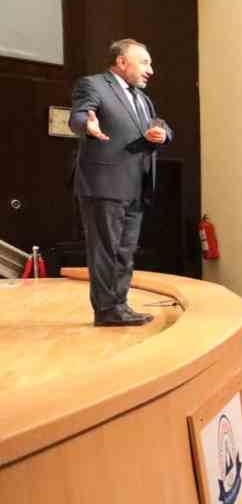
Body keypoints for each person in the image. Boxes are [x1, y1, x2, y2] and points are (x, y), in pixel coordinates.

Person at [66, 39, 172, 326]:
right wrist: (86, 125)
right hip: (104, 184)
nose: (151, 70)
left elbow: (157, 124)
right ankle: (106, 310)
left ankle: (119, 306)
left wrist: (163, 134)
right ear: (122, 62)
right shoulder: (94, 85)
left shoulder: (142, 98)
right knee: (105, 250)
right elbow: (79, 115)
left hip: (136, 185)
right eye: (145, 62)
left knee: (125, 252)